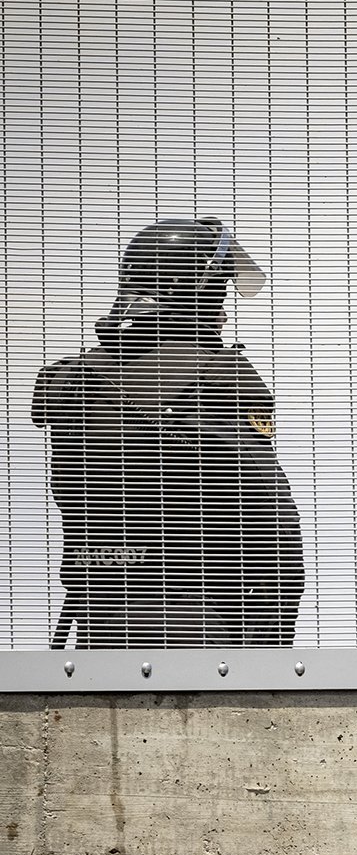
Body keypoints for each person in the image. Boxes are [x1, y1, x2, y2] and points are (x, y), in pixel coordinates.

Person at [31, 216, 304, 647]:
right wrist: (276, 631)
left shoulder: (75, 380)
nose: (224, 307)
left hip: (100, 621)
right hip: (203, 623)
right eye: (218, 291)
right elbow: (274, 529)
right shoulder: (218, 376)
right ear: (191, 290)